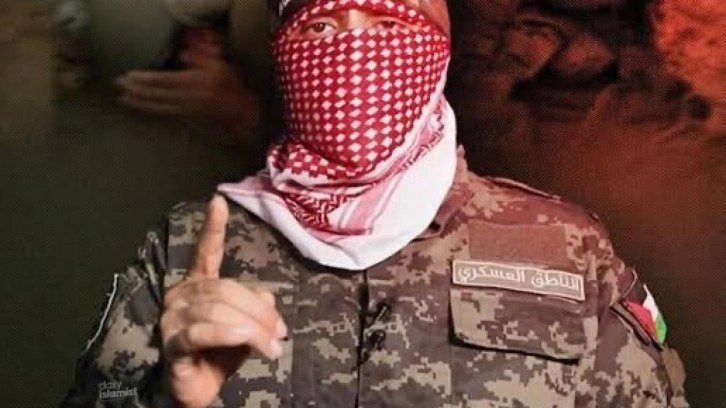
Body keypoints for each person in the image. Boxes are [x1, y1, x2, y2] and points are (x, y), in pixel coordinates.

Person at [60, 0, 689, 406]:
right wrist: (168, 397)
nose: (352, 52)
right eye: (321, 26)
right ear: (285, 53)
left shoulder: (565, 248)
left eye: (389, 24)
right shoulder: (188, 248)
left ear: (439, 51)